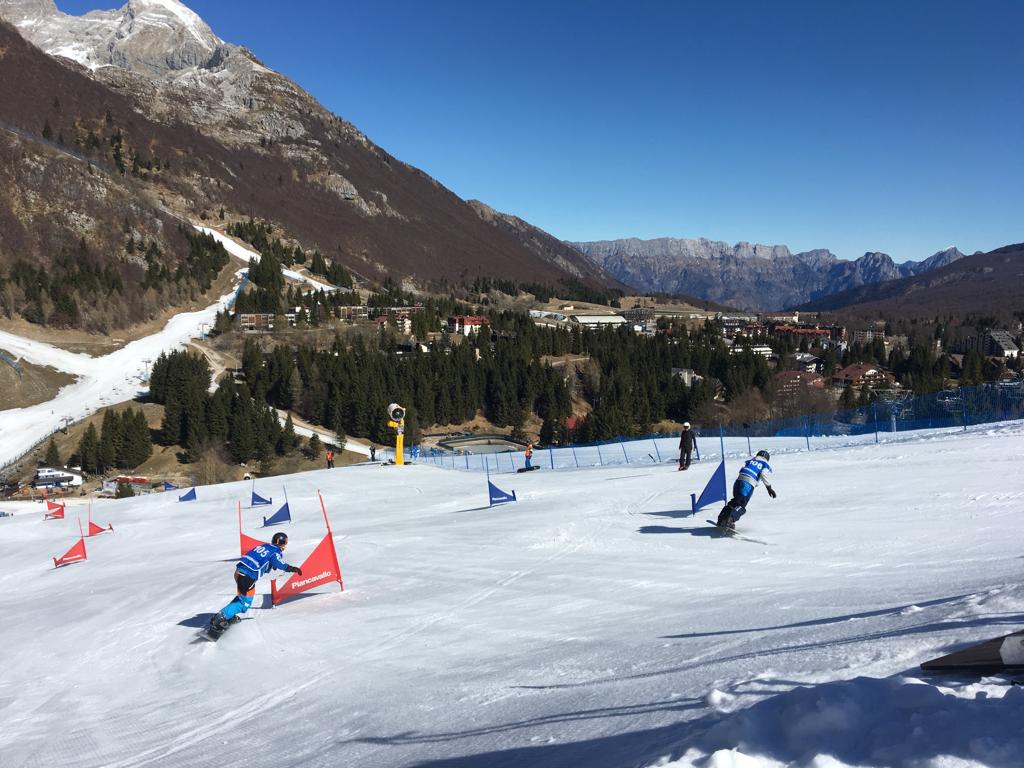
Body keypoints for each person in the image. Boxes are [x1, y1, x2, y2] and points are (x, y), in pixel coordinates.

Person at [207, 532, 302, 635]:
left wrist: (269, 565)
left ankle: (229, 613)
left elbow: (259, 557)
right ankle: (220, 618)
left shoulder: (265, 546)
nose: (285, 546)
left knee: (243, 597)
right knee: (244, 604)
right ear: (280, 543)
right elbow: (279, 563)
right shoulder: (276, 551)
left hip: (239, 572)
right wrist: (292, 568)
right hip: (247, 577)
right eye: (285, 543)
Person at [716, 449, 777, 530]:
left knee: (735, 502)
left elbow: (742, 469)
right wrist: (769, 488)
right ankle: (730, 520)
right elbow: (762, 473)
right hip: (748, 484)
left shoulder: (751, 461)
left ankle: (722, 519)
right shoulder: (765, 464)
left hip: (738, 481)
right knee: (741, 506)